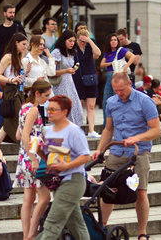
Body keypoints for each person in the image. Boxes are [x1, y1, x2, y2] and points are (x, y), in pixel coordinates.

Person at [92, 72, 161, 240]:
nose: (119, 94)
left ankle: (142, 233)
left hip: (139, 152)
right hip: (116, 151)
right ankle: (102, 227)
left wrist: (136, 138)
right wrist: (100, 149)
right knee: (106, 190)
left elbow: (156, 130)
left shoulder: (145, 101)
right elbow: (108, 129)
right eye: (115, 90)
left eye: (122, 90)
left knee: (141, 193)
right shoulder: (111, 102)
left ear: (130, 83)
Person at [36, 95, 91, 240]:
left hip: (73, 180)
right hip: (57, 180)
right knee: (76, 224)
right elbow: (51, 159)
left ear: (65, 112)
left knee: (52, 224)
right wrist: (39, 151)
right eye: (48, 109)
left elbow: (86, 156)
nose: (49, 112)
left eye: (53, 109)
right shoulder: (49, 131)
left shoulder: (74, 131)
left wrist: (67, 165)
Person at [14, 80, 52, 240]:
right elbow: (23, 135)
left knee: (28, 199)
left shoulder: (24, 107)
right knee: (44, 197)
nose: (47, 99)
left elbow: (18, 134)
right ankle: (31, 234)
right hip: (33, 156)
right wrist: (34, 159)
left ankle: (26, 236)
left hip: (24, 156)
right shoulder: (34, 110)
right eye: (46, 95)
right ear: (37, 93)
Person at [0, 33, 27, 142]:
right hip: (11, 90)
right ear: (16, 43)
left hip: (19, 90)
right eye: (23, 44)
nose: (25, 47)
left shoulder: (19, 57)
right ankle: (22, 144)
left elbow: (19, 74)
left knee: (8, 123)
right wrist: (11, 80)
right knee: (18, 119)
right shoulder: (8, 57)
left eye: (26, 44)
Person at [100, 33, 137, 127]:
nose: (113, 41)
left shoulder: (120, 50)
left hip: (117, 76)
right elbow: (101, 65)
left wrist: (126, 67)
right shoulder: (107, 53)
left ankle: (118, 124)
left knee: (118, 100)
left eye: (115, 40)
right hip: (109, 77)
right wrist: (112, 63)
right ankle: (107, 125)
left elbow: (133, 56)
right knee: (106, 101)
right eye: (111, 40)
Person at [51, 30, 84, 126]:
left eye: (74, 41)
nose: (72, 43)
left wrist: (71, 70)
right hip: (60, 84)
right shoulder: (57, 52)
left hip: (70, 82)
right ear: (64, 40)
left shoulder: (71, 52)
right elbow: (51, 72)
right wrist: (66, 71)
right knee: (63, 108)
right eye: (70, 41)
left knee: (75, 108)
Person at [74, 26, 102, 138]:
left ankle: (91, 130)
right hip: (77, 77)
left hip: (90, 77)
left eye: (84, 41)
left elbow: (98, 54)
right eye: (80, 41)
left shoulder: (90, 44)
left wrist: (89, 41)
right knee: (79, 105)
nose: (82, 43)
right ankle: (78, 129)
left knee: (91, 106)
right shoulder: (74, 46)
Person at [0, 4, 26, 75]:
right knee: (0, 81)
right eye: (10, 12)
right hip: (1, 58)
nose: (12, 14)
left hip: (15, 59)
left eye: (13, 12)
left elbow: (24, 45)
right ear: (4, 13)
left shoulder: (19, 28)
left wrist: (21, 60)